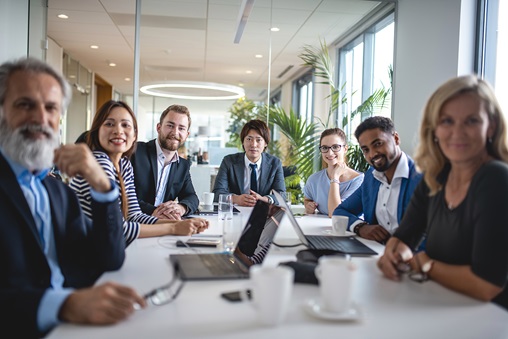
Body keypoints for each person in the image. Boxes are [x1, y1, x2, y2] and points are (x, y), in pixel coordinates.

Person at [0, 57, 145, 337]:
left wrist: (104, 188)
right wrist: (63, 304)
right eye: (25, 105)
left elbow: (109, 258)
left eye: (51, 108)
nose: (41, 119)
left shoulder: (56, 191)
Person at [378, 75, 508, 310]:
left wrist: (426, 264)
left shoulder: (497, 178)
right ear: (434, 129)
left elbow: (487, 285)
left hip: (491, 321)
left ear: (492, 126)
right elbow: (403, 238)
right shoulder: (436, 177)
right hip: (443, 307)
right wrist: (394, 254)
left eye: (472, 121)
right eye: (447, 121)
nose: (457, 132)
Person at [69, 100, 208, 246]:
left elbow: (134, 215)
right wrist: (173, 227)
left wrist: (183, 223)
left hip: (112, 247)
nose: (118, 131)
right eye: (109, 124)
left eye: (125, 125)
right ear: (97, 130)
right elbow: (115, 228)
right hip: (85, 253)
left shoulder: (123, 164)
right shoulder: (99, 163)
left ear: (134, 134)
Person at [333, 116, 423, 243]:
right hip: (374, 250)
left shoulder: (422, 178)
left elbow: (433, 235)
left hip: (410, 258)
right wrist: (361, 227)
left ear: (396, 139)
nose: (372, 154)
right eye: (366, 150)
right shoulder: (371, 177)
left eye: (378, 144)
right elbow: (340, 212)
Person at [130, 104, 199, 220]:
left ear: (187, 135)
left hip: (162, 225)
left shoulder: (182, 165)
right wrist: (154, 212)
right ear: (158, 128)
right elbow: (124, 195)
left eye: (181, 128)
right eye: (170, 125)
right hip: (133, 223)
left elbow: (191, 197)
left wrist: (181, 207)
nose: (175, 132)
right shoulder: (135, 152)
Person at [213, 119, 286, 206]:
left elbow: (281, 195)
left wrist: (263, 199)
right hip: (236, 212)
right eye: (249, 139)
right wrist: (236, 199)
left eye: (258, 140)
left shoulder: (275, 163)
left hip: (262, 214)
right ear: (243, 142)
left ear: (265, 143)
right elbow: (217, 193)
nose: (253, 144)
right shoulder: (229, 162)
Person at [303, 128, 364, 217]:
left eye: (335, 147)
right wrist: (309, 206)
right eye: (324, 148)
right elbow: (307, 199)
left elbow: (336, 213)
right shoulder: (314, 179)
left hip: (346, 229)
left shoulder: (359, 180)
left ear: (345, 149)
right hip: (320, 228)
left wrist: (335, 177)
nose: (330, 153)